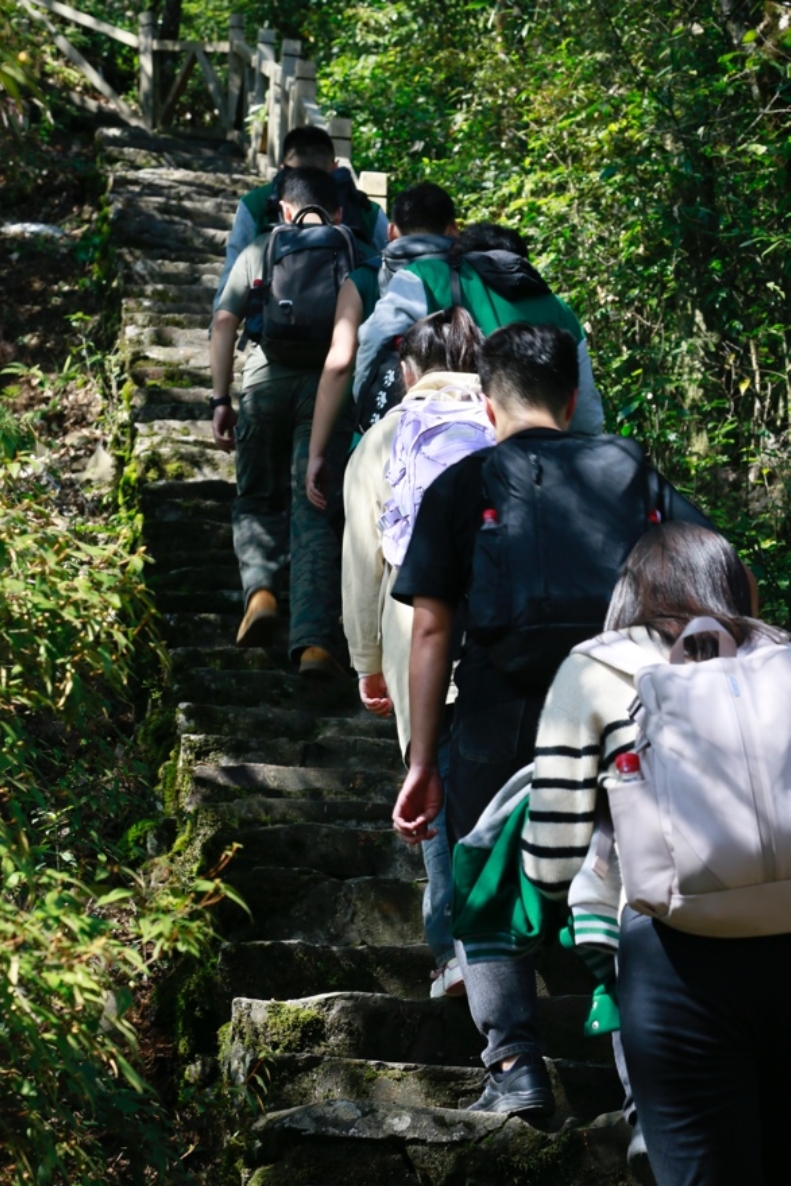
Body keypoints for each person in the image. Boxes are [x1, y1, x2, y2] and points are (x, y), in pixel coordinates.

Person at [390, 322, 712, 1117]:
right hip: (621, 703)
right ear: (571, 400)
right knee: (634, 877)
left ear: (487, 405)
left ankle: (515, 1067)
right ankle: (646, 1091)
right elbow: (715, 577)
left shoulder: (462, 483)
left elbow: (430, 629)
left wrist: (422, 759)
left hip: (499, 706)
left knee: (484, 876)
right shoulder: (631, 471)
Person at [521, 522, 786, 1185]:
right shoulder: (780, 655)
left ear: (628, 592)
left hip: (673, 953)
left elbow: (550, 858)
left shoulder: (595, 667)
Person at [342, 306, 490, 996]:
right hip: (508, 632)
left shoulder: (383, 437)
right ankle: (525, 946)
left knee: (432, 781)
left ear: (407, 372)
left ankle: (456, 951)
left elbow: (362, 562)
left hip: (416, 632)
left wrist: (367, 661)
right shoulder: (509, 421)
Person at [210, 167, 351, 676]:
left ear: (284, 209)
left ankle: (262, 593)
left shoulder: (261, 248)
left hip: (264, 383)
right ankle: (314, 643)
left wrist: (220, 399)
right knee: (315, 510)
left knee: (256, 497)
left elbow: (224, 321)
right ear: (338, 212)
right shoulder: (355, 254)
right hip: (329, 394)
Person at [352, 222, 604, 436]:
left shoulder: (426, 276)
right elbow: (586, 418)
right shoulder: (559, 309)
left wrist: (365, 409)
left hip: (437, 445)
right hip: (537, 456)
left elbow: (374, 341)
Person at [306, 182, 459, 510]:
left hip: (379, 436)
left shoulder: (363, 278)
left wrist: (317, 452)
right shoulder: (472, 277)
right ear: (454, 229)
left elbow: (340, 363)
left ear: (391, 231)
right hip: (457, 437)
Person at [213, 125, 388, 313]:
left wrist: (218, 320)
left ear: (283, 168)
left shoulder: (255, 204)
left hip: (277, 322)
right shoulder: (366, 209)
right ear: (335, 167)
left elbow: (231, 277)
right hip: (349, 323)